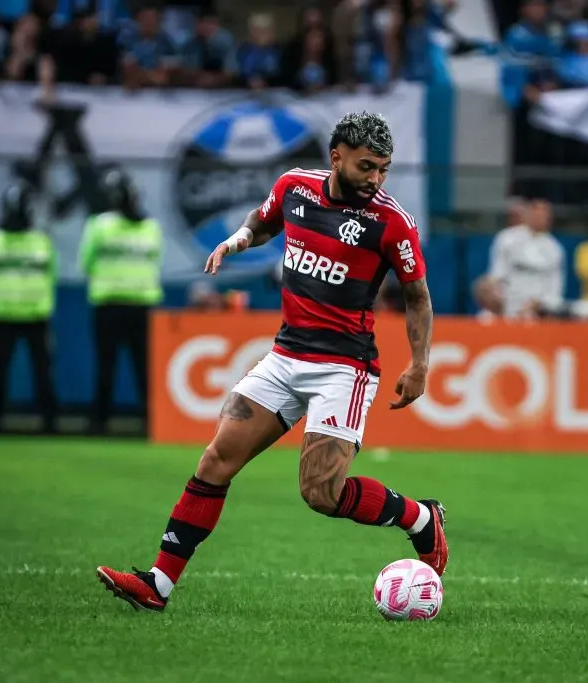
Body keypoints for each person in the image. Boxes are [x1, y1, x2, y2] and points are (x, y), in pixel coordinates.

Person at [96, 112, 447, 612]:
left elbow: (418, 297)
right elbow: (261, 225)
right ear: (337, 157)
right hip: (285, 356)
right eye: (367, 167)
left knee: (320, 493)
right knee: (216, 460)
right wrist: (236, 241)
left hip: (343, 368)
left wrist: (420, 364)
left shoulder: (392, 223)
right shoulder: (294, 188)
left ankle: (418, 518)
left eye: (384, 170)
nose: (376, 179)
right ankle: (158, 584)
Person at [79, 169, 163, 433]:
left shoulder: (98, 225)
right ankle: (152, 422)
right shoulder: (151, 227)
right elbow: (155, 258)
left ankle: (99, 422)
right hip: (141, 304)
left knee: (106, 365)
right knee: (144, 367)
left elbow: (86, 263)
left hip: (109, 304)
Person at [0, 182, 58, 433]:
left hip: (33, 314)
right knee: (0, 372)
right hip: (10, 314)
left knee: (42, 372)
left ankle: (48, 421)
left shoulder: (38, 240)